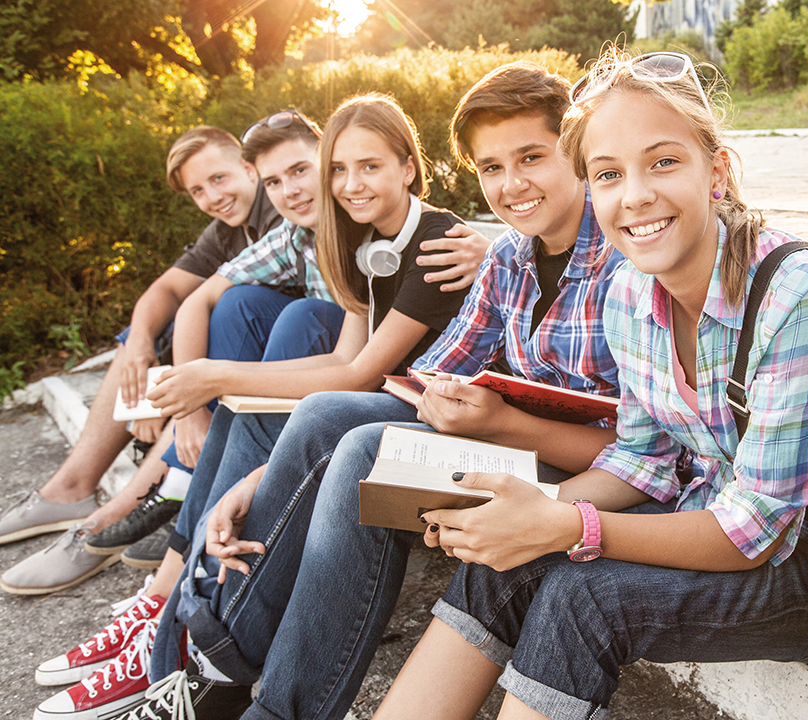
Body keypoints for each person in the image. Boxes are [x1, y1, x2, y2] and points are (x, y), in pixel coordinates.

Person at [366, 50, 808, 720]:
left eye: (663, 162)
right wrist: (514, 515)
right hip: (718, 510)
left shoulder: (797, 289)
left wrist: (563, 521)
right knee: (506, 562)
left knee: (585, 599)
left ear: (715, 171)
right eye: (607, 174)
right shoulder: (629, 292)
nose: (634, 195)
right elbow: (644, 459)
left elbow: (757, 530)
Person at [108, 61, 630, 720]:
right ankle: (215, 671)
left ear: (577, 153)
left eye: (532, 157)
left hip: (586, 477)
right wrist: (273, 476)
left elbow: (643, 453)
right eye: (491, 168)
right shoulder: (505, 258)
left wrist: (497, 423)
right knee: (327, 421)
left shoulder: (622, 259)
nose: (512, 183)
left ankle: (244, 693)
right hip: (505, 442)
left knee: (360, 456)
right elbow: (423, 379)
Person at [30, 100, 484, 720]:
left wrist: (215, 376)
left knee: (315, 411)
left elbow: (355, 374)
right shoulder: (361, 242)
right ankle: (178, 638)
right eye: (340, 170)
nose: (350, 185)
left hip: (442, 422)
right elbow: (345, 361)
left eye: (370, 166)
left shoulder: (436, 243)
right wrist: (223, 396)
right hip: (388, 408)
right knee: (255, 406)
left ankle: (191, 653)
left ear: (410, 167)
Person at [0, 126, 284, 596]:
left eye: (219, 178)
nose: (212, 197)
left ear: (248, 167)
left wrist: (185, 407)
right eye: (198, 190)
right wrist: (139, 349)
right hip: (233, 364)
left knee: (230, 311)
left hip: (278, 366)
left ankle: (114, 515)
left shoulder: (283, 214)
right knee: (143, 332)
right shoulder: (229, 227)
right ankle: (71, 487)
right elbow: (168, 290)